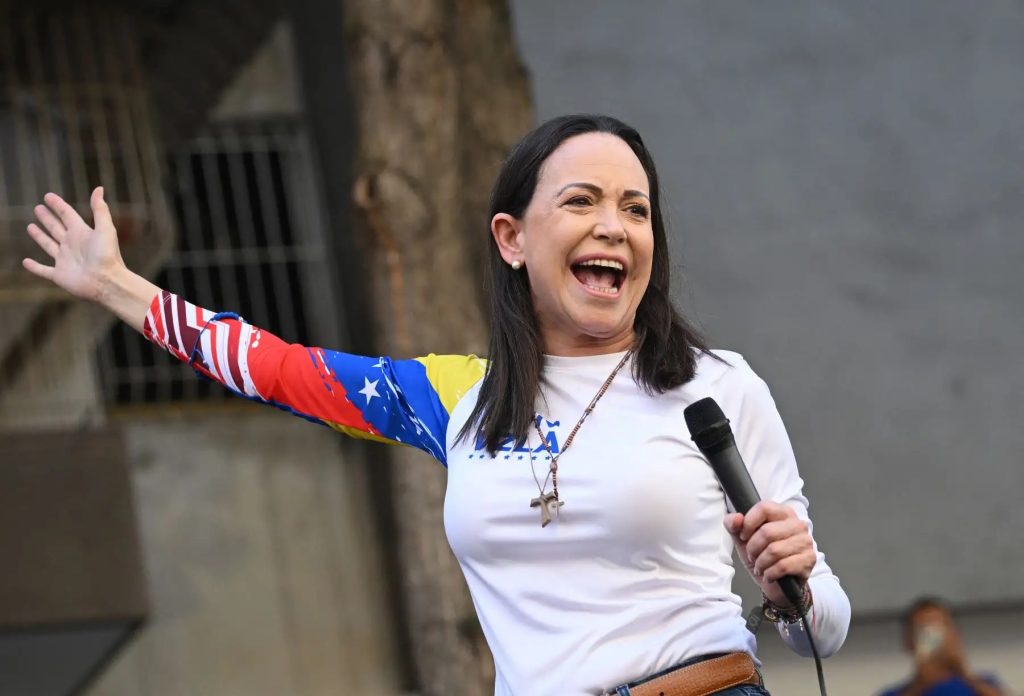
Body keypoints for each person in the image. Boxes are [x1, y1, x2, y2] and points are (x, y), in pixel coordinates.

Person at [23, 114, 850, 695]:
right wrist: (117, 287)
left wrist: (794, 591)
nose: (614, 226)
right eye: (581, 201)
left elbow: (824, 627)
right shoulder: (460, 399)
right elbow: (277, 368)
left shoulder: (715, 386)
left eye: (635, 209)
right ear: (511, 238)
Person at [878, 597, 1005, 696]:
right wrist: (919, 686)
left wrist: (965, 674)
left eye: (940, 629)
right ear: (908, 641)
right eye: (923, 632)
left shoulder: (985, 684)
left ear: (956, 635)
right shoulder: (894, 693)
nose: (934, 639)